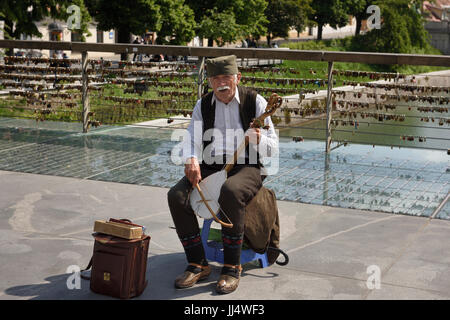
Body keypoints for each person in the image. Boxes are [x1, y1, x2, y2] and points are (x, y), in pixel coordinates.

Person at [167, 55, 278, 294]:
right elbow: (190, 140)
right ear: (210, 81)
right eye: (215, 78)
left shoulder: (255, 102)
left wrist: (258, 138)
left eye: (226, 77)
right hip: (210, 165)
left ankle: (231, 267)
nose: (221, 83)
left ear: (238, 77)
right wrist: (191, 159)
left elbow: (273, 149)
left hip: (247, 167)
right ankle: (198, 263)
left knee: (230, 191)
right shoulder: (203, 104)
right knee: (176, 196)